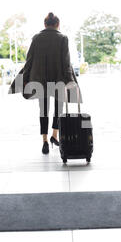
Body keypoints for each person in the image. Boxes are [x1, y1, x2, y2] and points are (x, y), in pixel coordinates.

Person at [9, 12, 81, 155]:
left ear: (45, 24)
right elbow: (66, 62)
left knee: (43, 110)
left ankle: (45, 141)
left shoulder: (36, 38)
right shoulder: (63, 38)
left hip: (40, 79)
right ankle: (55, 135)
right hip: (58, 78)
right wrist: (70, 81)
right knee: (58, 108)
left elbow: (29, 61)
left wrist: (24, 79)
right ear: (57, 24)